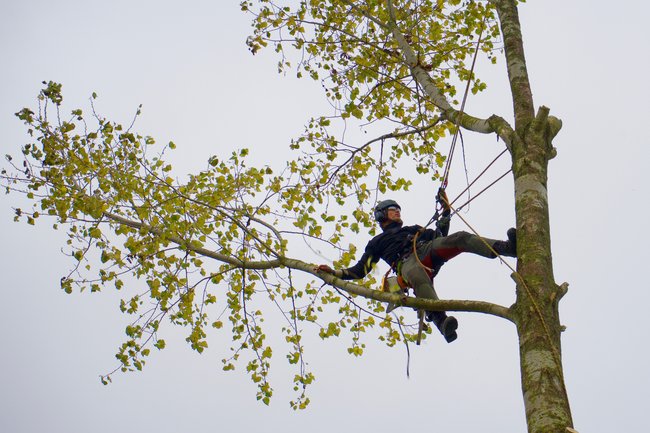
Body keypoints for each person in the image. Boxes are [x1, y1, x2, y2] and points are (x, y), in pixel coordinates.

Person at [316, 196, 516, 343]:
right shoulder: (377, 242)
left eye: (398, 209)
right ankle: (441, 321)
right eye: (393, 209)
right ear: (382, 215)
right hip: (406, 264)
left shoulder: (413, 229)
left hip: (425, 251)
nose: (397, 211)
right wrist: (335, 273)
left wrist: (446, 212)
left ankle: (507, 248)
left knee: (460, 237)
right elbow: (361, 269)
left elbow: (440, 236)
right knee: (416, 274)